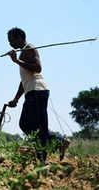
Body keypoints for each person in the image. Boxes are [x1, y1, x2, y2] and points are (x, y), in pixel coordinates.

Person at [6, 27, 69, 161]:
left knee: (36, 126)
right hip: (31, 91)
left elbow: (37, 68)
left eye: (12, 40)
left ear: (20, 38)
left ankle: (42, 158)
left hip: (37, 91)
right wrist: (16, 98)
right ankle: (58, 142)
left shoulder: (30, 49)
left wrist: (16, 61)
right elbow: (24, 79)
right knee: (25, 124)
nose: (10, 44)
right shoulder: (24, 52)